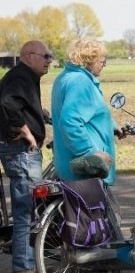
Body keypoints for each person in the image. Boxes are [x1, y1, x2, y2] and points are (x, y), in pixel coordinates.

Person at [0, 41, 52, 273]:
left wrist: (45, 117)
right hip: (21, 151)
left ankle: (26, 263)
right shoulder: (20, 76)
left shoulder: (25, 77)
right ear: (29, 56)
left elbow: (24, 104)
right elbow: (8, 103)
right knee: (27, 208)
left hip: (19, 150)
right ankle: (23, 267)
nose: (49, 60)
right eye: (46, 56)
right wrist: (26, 132)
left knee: (29, 208)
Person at [51, 39, 117, 185]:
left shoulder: (64, 77)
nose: (104, 66)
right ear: (90, 60)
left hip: (68, 165)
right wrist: (90, 155)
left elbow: (90, 113)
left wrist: (112, 127)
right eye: (102, 61)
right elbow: (70, 121)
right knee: (91, 208)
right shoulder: (81, 82)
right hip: (86, 173)